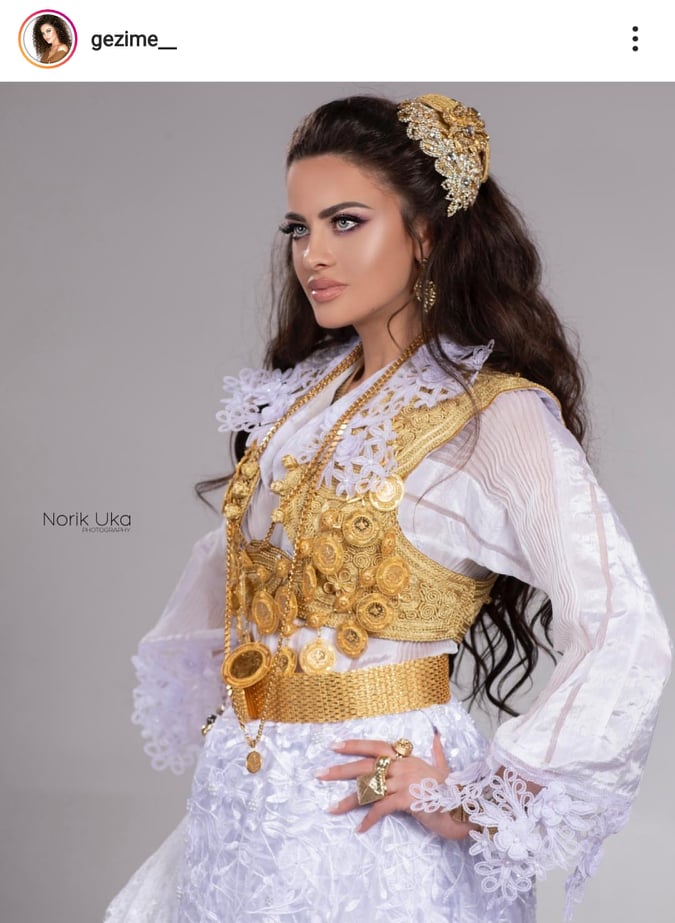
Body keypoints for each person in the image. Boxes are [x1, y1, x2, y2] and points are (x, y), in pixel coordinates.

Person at [104, 94, 671, 922]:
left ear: (426, 234)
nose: (312, 254)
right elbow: (237, 571)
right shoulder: (300, 401)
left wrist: (476, 797)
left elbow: (623, 625)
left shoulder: (490, 417)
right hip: (246, 813)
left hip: (370, 821)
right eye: (298, 228)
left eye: (345, 221)